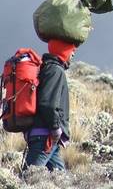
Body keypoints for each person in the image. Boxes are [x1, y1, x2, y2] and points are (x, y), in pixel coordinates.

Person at [23, 39, 75, 171]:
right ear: (63, 51)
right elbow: (47, 104)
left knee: (59, 177)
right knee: (30, 176)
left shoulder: (45, 68)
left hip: (42, 135)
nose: (73, 53)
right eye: (71, 49)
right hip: (45, 136)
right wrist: (56, 128)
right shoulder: (55, 70)